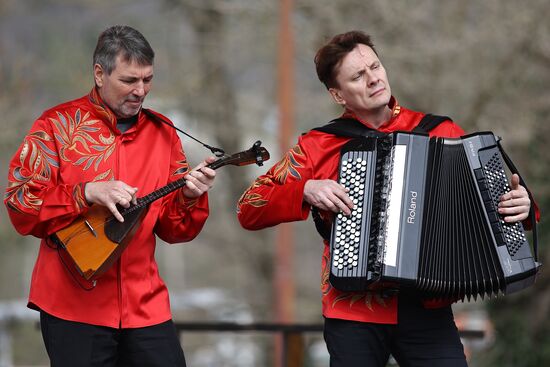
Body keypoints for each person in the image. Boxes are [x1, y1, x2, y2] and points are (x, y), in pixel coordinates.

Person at [237, 31, 534, 367]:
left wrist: (519, 207)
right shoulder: (318, 145)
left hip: (428, 306)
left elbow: (492, 205)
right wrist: (305, 189)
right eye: (357, 76)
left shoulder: (440, 131)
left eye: (375, 67)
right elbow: (250, 207)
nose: (373, 78)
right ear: (337, 94)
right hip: (352, 310)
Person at [4, 25, 216, 367]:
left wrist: (191, 196)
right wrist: (85, 191)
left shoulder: (165, 133)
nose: (141, 91)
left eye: (147, 80)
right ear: (99, 73)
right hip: (72, 308)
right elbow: (20, 206)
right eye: (129, 80)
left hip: (146, 307)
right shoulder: (54, 126)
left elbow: (177, 231)